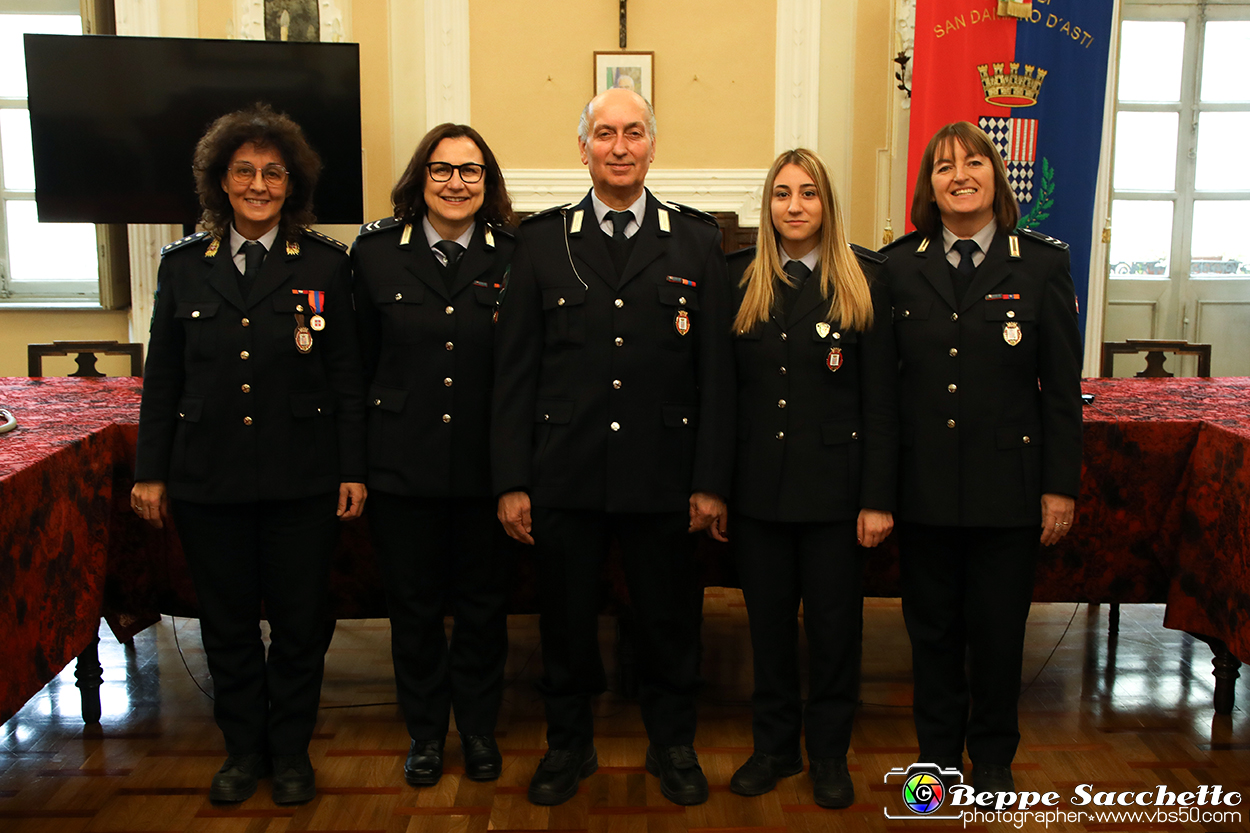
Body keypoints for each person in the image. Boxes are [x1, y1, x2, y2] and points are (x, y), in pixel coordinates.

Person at [491, 87, 734, 807]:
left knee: (668, 620)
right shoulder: (541, 241)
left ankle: (673, 743)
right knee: (565, 623)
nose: (619, 147)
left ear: (652, 145)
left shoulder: (696, 239)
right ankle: (567, 745)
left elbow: (716, 375)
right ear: (584, 147)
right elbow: (514, 375)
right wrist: (510, 479)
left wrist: (711, 479)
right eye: (605, 134)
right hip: (563, 471)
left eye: (633, 133)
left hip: (664, 474)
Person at [132, 103, 366, 806]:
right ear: (220, 181)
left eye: (273, 172)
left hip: (303, 478)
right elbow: (163, 378)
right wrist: (151, 469)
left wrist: (353, 466)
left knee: (300, 626)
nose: (259, 184)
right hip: (209, 478)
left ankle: (290, 752)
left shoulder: (326, 263)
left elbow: (346, 377)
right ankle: (242, 750)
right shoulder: (183, 267)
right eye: (245, 171)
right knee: (227, 625)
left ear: (291, 184)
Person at [879, 121, 1082, 796]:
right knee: (932, 631)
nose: (958, 175)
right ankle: (935, 756)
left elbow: (1060, 391)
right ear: (928, 187)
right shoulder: (900, 265)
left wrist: (1059, 487)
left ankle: (993, 755)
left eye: (972, 162)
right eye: (942, 167)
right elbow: (882, 391)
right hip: (924, 484)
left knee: (997, 632)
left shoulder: (1043, 264)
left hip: (1009, 488)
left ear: (997, 176)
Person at [725, 149, 897, 809]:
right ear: (767, 206)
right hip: (759, 491)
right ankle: (772, 748)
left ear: (827, 203)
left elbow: (881, 403)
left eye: (808, 194)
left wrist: (877, 498)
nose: (794, 206)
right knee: (766, 629)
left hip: (836, 493)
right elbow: (723, 396)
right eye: (781, 194)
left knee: (833, 632)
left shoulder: (865, 280)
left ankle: (828, 752)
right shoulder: (740, 279)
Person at [351, 124, 516, 787]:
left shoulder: (515, 254)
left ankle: (477, 730)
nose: (455, 183)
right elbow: (355, 368)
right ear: (420, 179)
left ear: (488, 183)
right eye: (442, 170)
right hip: (402, 467)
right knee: (413, 612)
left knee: (483, 610)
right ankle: (425, 732)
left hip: (486, 470)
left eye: (470, 171)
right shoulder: (373, 255)